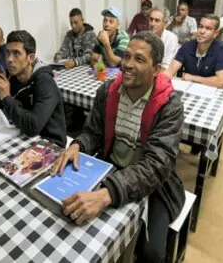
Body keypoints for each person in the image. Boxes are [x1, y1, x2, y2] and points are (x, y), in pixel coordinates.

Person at [52, 32, 185, 263]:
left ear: (156, 69)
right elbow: (93, 131)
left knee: (151, 254)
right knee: (75, 221)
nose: (128, 65)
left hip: (154, 185)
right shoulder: (108, 91)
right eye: (127, 56)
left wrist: (107, 194)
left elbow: (157, 165)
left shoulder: (169, 105)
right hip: (110, 169)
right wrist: (78, 145)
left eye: (140, 59)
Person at [0, 30, 67, 147]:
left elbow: (33, 126)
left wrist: (6, 97)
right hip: (19, 136)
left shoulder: (45, 82)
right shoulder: (10, 76)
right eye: (7, 53)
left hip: (49, 144)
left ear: (31, 58)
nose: (9, 59)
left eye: (16, 53)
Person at [166, 14, 223, 88]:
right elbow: (170, 71)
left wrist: (193, 78)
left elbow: (221, 82)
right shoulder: (187, 46)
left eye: (208, 28)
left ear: (215, 33)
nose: (202, 31)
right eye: (200, 26)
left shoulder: (221, 49)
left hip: (210, 91)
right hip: (188, 89)